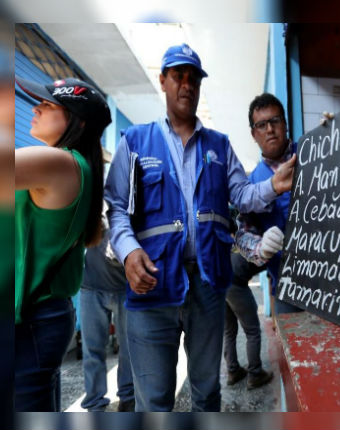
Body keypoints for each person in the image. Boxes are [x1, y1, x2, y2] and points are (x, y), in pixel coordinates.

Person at [104, 43, 295, 412]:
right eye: (178, 76)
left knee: (208, 392)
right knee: (155, 398)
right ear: (163, 81)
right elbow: (117, 209)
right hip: (152, 287)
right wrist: (128, 252)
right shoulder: (135, 142)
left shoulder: (219, 146)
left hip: (208, 288)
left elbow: (241, 195)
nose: (186, 85)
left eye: (193, 78)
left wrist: (274, 185)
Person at [15, 76, 111, 411]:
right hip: (42, 319)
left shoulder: (61, 162)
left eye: (49, 104)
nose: (36, 108)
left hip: (32, 323)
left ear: (77, 122)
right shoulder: (73, 166)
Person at [224, 94, 302, 388]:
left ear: (285, 124)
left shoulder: (314, 153)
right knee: (293, 366)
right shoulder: (251, 183)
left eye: (274, 121)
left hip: (331, 278)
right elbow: (242, 236)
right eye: (261, 125)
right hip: (286, 286)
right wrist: (259, 249)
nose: (269, 129)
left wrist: (331, 135)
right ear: (253, 134)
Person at [79, 202, 135, 412]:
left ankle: (128, 397)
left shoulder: (129, 202)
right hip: (91, 287)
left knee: (129, 349)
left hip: (125, 288)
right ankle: (94, 402)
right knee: (92, 350)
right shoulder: (92, 199)